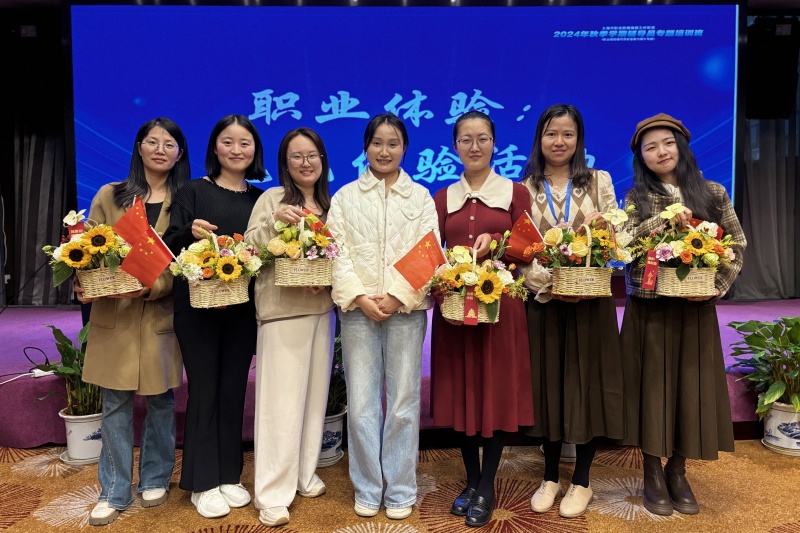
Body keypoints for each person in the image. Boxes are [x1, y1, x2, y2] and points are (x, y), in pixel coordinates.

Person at [620, 113, 746, 516]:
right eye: (650, 147)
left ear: (682, 147)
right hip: (651, 310)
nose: (661, 152)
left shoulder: (713, 192)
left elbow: (737, 245)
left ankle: (677, 470)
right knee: (651, 388)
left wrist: (715, 286)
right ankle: (651, 471)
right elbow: (624, 247)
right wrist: (660, 221)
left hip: (695, 310)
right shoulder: (635, 197)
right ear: (641, 157)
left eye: (668, 143)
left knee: (691, 389)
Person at [78, 117, 190, 526]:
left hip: (160, 314)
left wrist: (152, 287)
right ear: (139, 147)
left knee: (160, 401)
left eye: (169, 144)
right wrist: (83, 278)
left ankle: (156, 477)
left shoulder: (185, 201)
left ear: (179, 153)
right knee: (115, 402)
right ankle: (113, 489)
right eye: (152, 141)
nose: (160, 149)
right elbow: (86, 248)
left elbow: (187, 263)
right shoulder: (111, 195)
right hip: (116, 315)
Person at [327, 113, 438, 521]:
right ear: (366, 147)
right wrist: (360, 296)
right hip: (359, 313)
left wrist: (395, 297)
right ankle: (368, 487)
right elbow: (334, 252)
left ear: (404, 148)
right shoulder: (345, 197)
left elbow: (429, 251)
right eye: (377, 143)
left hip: (405, 312)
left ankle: (401, 488)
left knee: (404, 403)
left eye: (393, 143)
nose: (384, 151)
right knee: (361, 404)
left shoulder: (421, 197)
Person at [519, 104, 625, 519]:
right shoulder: (524, 187)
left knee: (587, 385)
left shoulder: (599, 181)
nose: (559, 141)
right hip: (545, 303)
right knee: (548, 386)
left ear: (578, 139)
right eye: (551, 134)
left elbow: (618, 240)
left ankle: (582, 479)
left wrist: (604, 228)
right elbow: (521, 251)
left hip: (591, 302)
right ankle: (550, 476)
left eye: (567, 134)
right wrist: (550, 284)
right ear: (539, 139)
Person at [430, 110, 534, 528]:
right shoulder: (442, 198)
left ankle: (487, 484)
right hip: (455, 313)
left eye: (483, 138)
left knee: (496, 390)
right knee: (463, 392)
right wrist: (444, 288)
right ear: (455, 147)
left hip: (500, 311)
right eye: (466, 139)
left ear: (494, 144)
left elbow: (529, 248)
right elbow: (432, 256)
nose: (475, 147)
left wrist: (501, 245)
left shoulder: (515, 193)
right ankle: (470, 479)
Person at [163, 114, 265, 519]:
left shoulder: (260, 199)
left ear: (255, 149)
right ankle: (202, 482)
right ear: (214, 147)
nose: (236, 150)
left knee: (233, 390)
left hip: (243, 309)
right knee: (204, 390)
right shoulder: (193, 190)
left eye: (244, 143)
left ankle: (228, 475)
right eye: (228, 141)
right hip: (198, 308)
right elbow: (168, 244)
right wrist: (189, 231)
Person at [245, 127, 335, 527]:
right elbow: (250, 248)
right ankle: (272, 492)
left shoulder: (331, 204)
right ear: (285, 162)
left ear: (322, 160)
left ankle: (303, 473)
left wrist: (327, 282)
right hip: (281, 312)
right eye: (296, 156)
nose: (305, 162)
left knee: (314, 401)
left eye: (312, 155)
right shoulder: (272, 199)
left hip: (321, 310)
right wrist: (273, 222)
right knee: (279, 406)